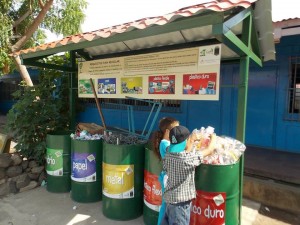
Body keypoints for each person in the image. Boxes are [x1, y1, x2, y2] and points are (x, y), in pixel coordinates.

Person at [160, 125, 216, 225]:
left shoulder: (168, 151)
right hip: (180, 206)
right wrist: (214, 138)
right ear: (187, 141)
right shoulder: (186, 159)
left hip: (170, 200)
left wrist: (191, 140)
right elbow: (209, 150)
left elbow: (185, 150)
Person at [150, 117, 179, 225]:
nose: (178, 131)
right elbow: (175, 154)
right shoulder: (164, 144)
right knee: (166, 206)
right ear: (167, 131)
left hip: (168, 178)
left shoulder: (169, 142)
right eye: (176, 129)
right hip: (168, 179)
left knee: (166, 205)